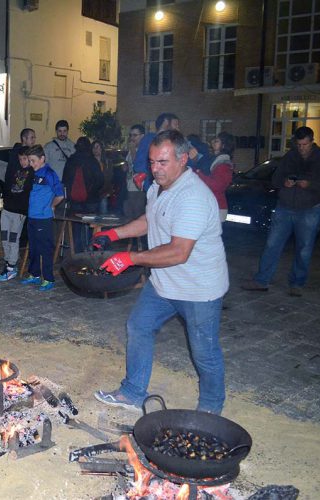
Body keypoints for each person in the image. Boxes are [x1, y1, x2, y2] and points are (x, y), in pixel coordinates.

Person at [93, 130, 228, 414]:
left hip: (198, 289)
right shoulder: (158, 187)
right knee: (139, 326)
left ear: (183, 159)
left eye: (162, 162)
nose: (155, 169)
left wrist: (130, 258)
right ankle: (132, 392)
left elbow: (179, 252)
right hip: (164, 283)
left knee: (204, 353)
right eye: (152, 162)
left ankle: (210, 410)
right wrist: (113, 235)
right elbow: (149, 220)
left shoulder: (192, 196)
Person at [242, 126, 320, 297]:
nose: (302, 148)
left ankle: (297, 283)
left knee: (304, 248)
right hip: (285, 207)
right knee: (272, 244)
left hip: (310, 209)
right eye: (299, 144)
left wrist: (309, 185)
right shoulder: (290, 156)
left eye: (305, 144)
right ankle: (262, 280)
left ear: (312, 141)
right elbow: (276, 179)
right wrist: (285, 182)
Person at [19, 145, 65, 291]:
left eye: (33, 161)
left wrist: (52, 206)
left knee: (45, 249)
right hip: (32, 216)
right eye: (30, 161)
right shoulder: (34, 173)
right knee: (33, 247)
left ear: (42, 159)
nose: (31, 164)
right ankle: (34, 274)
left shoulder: (49, 174)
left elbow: (60, 194)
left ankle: (49, 279)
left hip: (43, 218)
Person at [0, 148, 34, 281]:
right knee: (4, 237)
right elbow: (8, 185)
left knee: (13, 238)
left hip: (19, 212)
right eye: (20, 159)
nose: (22, 162)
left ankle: (11, 266)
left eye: (25, 159)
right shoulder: (16, 170)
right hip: (7, 209)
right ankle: (8, 262)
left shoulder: (32, 173)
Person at [62, 137, 104, 252]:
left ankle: (78, 254)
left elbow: (65, 179)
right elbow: (100, 180)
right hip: (92, 200)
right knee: (92, 227)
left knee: (76, 228)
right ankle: (90, 252)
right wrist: (92, 191)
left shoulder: (71, 160)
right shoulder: (92, 161)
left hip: (75, 200)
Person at [132, 113, 180, 192]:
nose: (178, 129)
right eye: (176, 125)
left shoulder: (174, 142)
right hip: (155, 190)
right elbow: (138, 165)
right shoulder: (149, 139)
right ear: (166, 123)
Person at [193, 132, 235, 223]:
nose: (213, 142)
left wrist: (198, 173)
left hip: (217, 207)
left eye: (216, 141)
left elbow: (217, 186)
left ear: (223, 145)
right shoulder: (212, 159)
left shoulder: (223, 163)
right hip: (210, 205)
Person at [123, 124, 146, 221]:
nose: (132, 138)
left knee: (137, 218)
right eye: (130, 135)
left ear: (142, 136)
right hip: (130, 187)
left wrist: (132, 150)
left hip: (138, 190)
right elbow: (129, 167)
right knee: (129, 217)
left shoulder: (144, 149)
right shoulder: (132, 149)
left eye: (135, 135)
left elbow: (137, 166)